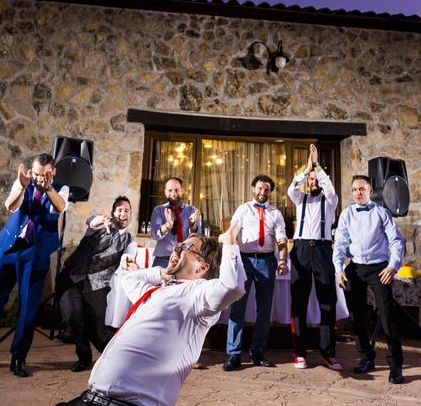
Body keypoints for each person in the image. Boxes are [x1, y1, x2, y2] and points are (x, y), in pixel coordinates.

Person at [57, 223, 246, 406]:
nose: (177, 248)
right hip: (90, 398)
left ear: (202, 268)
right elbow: (129, 279)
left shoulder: (197, 295)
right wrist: (162, 273)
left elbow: (232, 287)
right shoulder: (155, 292)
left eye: (187, 247)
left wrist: (230, 242)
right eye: (179, 244)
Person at [0, 153, 69, 377]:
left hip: (35, 252)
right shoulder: (23, 182)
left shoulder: (61, 188)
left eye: (45, 174)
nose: (40, 179)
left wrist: (48, 188)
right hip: (9, 248)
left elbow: (59, 208)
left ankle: (18, 357)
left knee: (28, 309)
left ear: (53, 172)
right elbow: (10, 206)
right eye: (37, 174)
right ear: (31, 171)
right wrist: (22, 187)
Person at [333, 175, 405, 384]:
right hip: (355, 267)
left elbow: (396, 241)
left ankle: (396, 366)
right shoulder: (346, 214)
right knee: (355, 316)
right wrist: (339, 269)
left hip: (379, 268)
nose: (358, 193)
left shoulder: (382, 213)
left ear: (370, 190)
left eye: (362, 189)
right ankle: (366, 357)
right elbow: (340, 243)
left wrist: (393, 266)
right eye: (354, 189)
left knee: (387, 316)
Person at [56, 196, 137, 372]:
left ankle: (117, 359)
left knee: (98, 330)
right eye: (119, 210)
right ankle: (84, 357)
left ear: (131, 215)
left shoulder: (130, 241)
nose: (123, 213)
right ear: (113, 214)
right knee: (73, 317)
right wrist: (100, 220)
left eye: (127, 210)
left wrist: (126, 262)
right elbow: (91, 220)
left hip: (97, 285)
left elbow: (127, 256)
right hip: (73, 277)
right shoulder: (100, 225)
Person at [223, 174, 289, 371]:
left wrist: (283, 259)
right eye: (260, 188)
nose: (263, 192)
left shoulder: (276, 213)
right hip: (244, 261)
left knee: (264, 309)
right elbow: (233, 233)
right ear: (253, 189)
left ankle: (258, 352)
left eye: (267, 189)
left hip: (268, 261)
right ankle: (233, 354)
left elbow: (282, 239)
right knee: (238, 307)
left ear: (270, 192)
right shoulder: (243, 209)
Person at [287, 144, 341, 370]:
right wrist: (307, 168)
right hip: (300, 250)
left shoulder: (330, 201)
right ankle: (299, 353)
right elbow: (292, 188)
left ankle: (328, 353)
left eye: (316, 178)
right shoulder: (300, 199)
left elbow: (330, 189)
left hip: (322, 250)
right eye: (311, 178)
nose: (314, 181)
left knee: (327, 301)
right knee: (298, 301)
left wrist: (318, 167)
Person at [150, 177, 202, 267]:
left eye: (177, 190)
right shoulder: (158, 210)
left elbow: (199, 237)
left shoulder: (192, 210)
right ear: (165, 192)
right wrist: (167, 225)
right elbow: (155, 234)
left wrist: (192, 225)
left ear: (182, 191)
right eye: (170, 190)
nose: (173, 194)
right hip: (162, 259)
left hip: (185, 259)